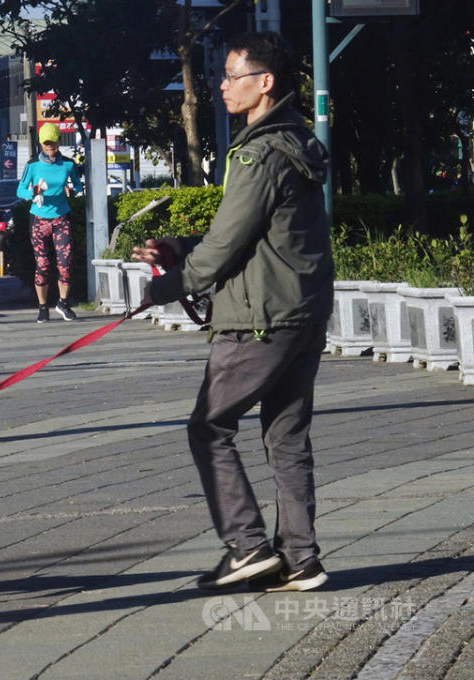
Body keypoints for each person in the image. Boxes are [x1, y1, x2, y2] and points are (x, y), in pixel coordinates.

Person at [132, 32, 334, 592]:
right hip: (303, 310)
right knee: (286, 436)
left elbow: (225, 247)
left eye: (231, 75)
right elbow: (254, 232)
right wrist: (181, 245)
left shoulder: (256, 152)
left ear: (264, 82)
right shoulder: (295, 140)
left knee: (209, 427)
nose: (221, 85)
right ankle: (301, 560)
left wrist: (169, 283)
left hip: (259, 317)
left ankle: (247, 546)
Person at [16, 122, 83, 323]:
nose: (50, 147)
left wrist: (71, 190)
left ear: (59, 141)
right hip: (38, 218)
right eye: (46, 143)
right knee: (42, 264)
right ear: (40, 144)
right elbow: (20, 190)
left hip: (61, 217)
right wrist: (33, 194)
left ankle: (63, 303)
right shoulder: (32, 165)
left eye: (53, 143)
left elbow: (78, 186)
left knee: (65, 262)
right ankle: (43, 307)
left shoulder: (68, 164)